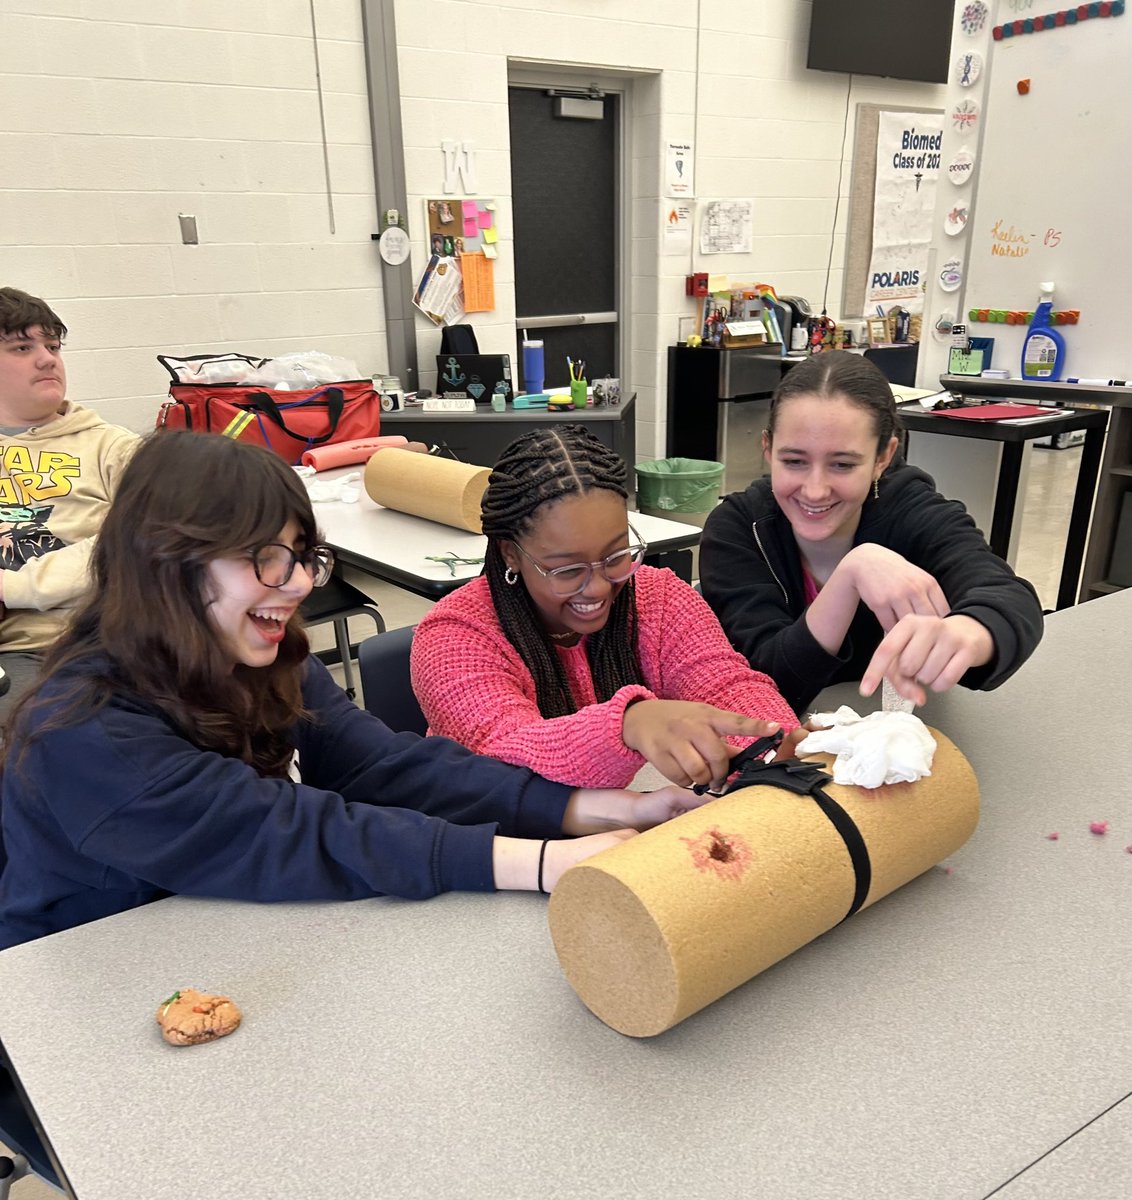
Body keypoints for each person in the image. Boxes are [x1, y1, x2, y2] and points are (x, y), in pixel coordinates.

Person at [0, 431, 709, 951]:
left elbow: (381, 765)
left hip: (232, 930)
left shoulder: (261, 655)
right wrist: (543, 861)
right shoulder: (82, 727)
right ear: (167, 562)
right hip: (91, 972)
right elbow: (289, 831)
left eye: (303, 556)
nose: (299, 584)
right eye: (266, 558)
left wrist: (594, 807)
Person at [410, 425, 800, 790]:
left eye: (615, 555)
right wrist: (627, 725)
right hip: (491, 828)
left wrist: (777, 739)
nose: (598, 587)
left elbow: (723, 684)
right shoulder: (452, 638)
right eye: (567, 570)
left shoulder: (658, 598)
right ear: (511, 554)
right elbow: (504, 754)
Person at [698, 351, 1043, 715]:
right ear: (768, 449)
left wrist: (969, 631)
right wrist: (850, 575)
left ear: (882, 458)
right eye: (794, 461)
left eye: (842, 464)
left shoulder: (911, 509)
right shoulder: (738, 529)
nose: (815, 490)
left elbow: (1007, 598)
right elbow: (766, 684)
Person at [0, 287, 139, 716]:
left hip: (102, 639)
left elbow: (134, 540)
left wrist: (10, 589)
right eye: (22, 347)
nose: (47, 359)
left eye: (53, 346)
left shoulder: (113, 448)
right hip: (13, 654)